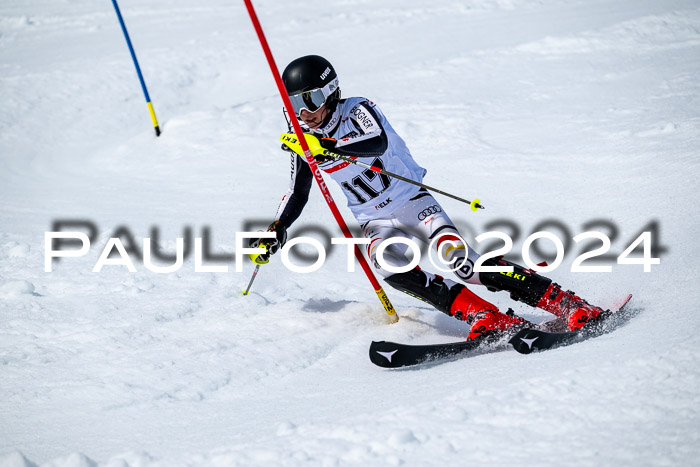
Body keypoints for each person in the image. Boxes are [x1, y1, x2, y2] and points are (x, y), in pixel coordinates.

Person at [250, 55, 606, 341]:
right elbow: (299, 191)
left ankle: (565, 302)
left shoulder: (358, 109)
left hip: (413, 203)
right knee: (392, 268)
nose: (303, 111)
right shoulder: (302, 137)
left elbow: (377, 142)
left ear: (330, 92)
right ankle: (482, 314)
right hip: (374, 220)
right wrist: (277, 229)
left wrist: (328, 148)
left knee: (462, 262)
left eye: (309, 99)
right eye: (294, 102)